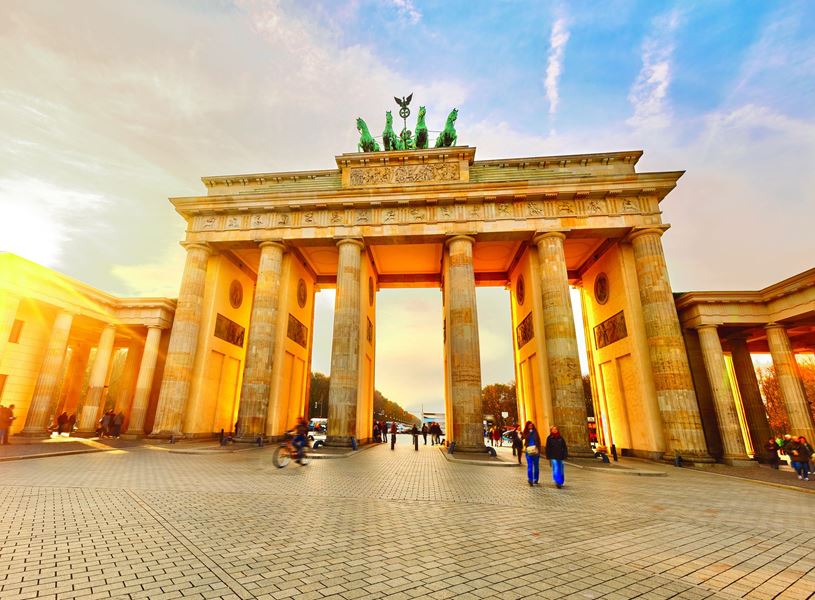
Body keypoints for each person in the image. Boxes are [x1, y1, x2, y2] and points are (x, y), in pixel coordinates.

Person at [522, 421, 542, 486]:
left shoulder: (536, 432)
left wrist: (539, 449)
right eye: (529, 425)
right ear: (527, 426)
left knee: (536, 466)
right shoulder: (526, 432)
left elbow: (539, 441)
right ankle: (530, 479)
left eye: (531, 425)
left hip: (536, 451)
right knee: (530, 465)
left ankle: (536, 479)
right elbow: (522, 438)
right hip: (529, 451)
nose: (530, 426)